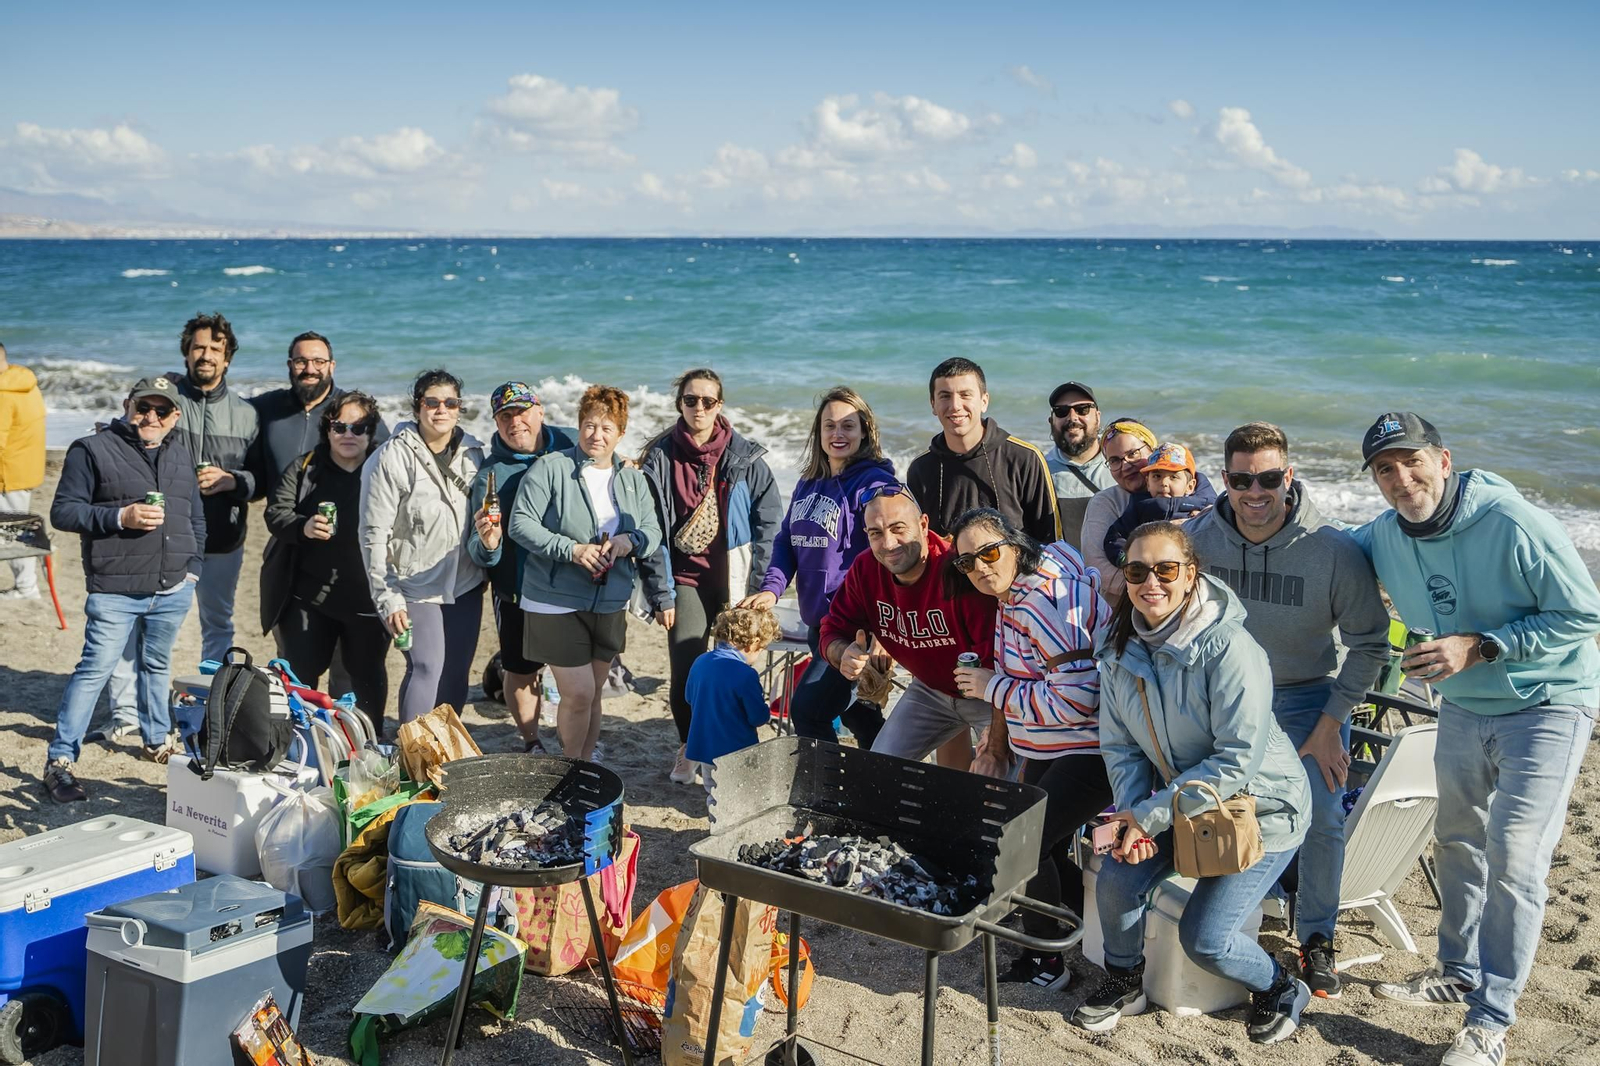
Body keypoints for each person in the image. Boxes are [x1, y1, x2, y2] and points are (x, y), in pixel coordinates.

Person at [1349, 413, 1600, 1066]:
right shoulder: (1382, 536)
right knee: (1458, 840)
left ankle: (1489, 1024)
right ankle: (1456, 971)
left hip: (1548, 704)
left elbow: (1585, 612)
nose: (1402, 479)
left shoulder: (1512, 521)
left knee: (1516, 859)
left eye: (1412, 461)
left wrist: (1483, 645)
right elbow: (1319, 562)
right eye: (1385, 469)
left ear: (1444, 459)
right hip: (1462, 707)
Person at [1072, 521, 1312, 1044]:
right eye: (1137, 570)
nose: (1150, 582)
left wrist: (1147, 816)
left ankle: (1280, 985)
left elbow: (1238, 758)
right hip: (1177, 800)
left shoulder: (1230, 647)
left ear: (1190, 574)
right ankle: (1125, 979)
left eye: (1166, 569)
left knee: (1206, 939)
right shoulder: (1117, 648)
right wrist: (1134, 817)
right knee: (1117, 879)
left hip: (1260, 809)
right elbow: (1121, 747)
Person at [1187, 421, 1390, 998]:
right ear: (1224, 479)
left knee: (1323, 808)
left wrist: (1331, 723)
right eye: (1243, 479)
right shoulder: (1197, 540)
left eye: (1269, 478)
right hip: (1219, 696)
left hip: (1305, 698)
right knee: (1186, 795)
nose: (1256, 492)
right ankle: (1203, 912)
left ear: (1289, 477)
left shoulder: (1333, 549)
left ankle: (1319, 936)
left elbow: (1372, 643)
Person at [948, 508, 1112, 990]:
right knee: (1048, 843)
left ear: (1016, 547)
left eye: (989, 552)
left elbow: (1079, 698)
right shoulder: (1020, 590)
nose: (980, 567)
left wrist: (989, 687)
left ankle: (1046, 961)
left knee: (1025, 843)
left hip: (1087, 749)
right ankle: (1082, 931)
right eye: (966, 562)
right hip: (1049, 744)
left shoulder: (1043, 602)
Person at [43, 377, 206, 802]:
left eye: (162, 410)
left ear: (175, 416)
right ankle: (60, 760)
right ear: (127, 405)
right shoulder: (91, 449)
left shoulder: (181, 452)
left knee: (156, 665)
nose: (151, 417)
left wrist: (194, 569)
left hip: (173, 587)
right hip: (115, 587)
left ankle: (155, 740)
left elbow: (196, 517)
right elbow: (63, 511)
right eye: (143, 407)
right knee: (94, 670)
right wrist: (121, 518)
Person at [638, 369, 781, 784]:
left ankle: (732, 755)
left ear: (720, 405)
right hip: (684, 580)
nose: (698, 407)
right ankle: (689, 747)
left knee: (735, 671)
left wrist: (759, 587)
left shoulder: (746, 456)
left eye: (708, 401)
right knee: (688, 671)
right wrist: (660, 593)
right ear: (679, 403)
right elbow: (651, 532)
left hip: (735, 582)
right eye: (690, 400)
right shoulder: (661, 457)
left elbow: (768, 526)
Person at [509, 385, 662, 760]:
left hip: (609, 599)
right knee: (577, 693)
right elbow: (520, 524)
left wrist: (631, 541)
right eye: (590, 426)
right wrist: (573, 550)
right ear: (579, 426)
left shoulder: (632, 478)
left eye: (608, 428)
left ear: (621, 434)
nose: (597, 435)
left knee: (594, 692)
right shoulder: (551, 467)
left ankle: (584, 762)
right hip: (554, 597)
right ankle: (570, 768)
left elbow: (654, 532)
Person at [740, 386, 897, 748]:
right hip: (817, 621)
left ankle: (829, 787)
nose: (838, 434)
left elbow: (892, 554)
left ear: (865, 432)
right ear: (818, 433)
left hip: (854, 626)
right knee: (858, 710)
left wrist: (882, 627)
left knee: (809, 709)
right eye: (830, 426)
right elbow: (786, 542)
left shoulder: (877, 485)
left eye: (848, 426)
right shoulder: (809, 483)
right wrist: (771, 588)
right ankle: (881, 773)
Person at [817, 485, 999, 768]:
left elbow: (1006, 665)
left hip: (989, 694)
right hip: (930, 692)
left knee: (1007, 787)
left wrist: (996, 746)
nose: (888, 543)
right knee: (877, 771)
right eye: (876, 533)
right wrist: (844, 654)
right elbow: (832, 629)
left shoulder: (958, 569)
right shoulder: (866, 569)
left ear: (923, 524)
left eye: (898, 528)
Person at [359, 369, 487, 723]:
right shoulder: (390, 458)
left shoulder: (474, 454)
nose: (441, 409)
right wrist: (388, 598)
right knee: (427, 667)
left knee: (456, 674)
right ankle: (411, 763)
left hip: (465, 584)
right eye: (432, 402)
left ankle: (443, 756)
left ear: (460, 408)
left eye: (450, 402)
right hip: (413, 587)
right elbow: (373, 535)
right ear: (418, 407)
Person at [260, 391, 390, 734]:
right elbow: (275, 513)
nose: (349, 434)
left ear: (372, 431)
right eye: (339, 426)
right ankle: (293, 745)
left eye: (359, 427)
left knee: (364, 685)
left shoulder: (385, 469)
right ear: (327, 429)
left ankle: (366, 751)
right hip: (309, 598)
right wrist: (302, 526)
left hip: (368, 602)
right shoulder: (307, 467)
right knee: (299, 679)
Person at [466, 382, 574, 752]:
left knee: (573, 672)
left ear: (540, 411)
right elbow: (478, 552)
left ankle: (574, 742)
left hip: (571, 583)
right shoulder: (489, 476)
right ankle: (531, 741)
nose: (516, 421)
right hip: (516, 587)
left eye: (522, 411)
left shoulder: (572, 445)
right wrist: (489, 544)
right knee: (520, 669)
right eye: (506, 415)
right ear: (496, 422)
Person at [164, 311, 260, 663]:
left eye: (215, 349)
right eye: (198, 347)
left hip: (223, 538)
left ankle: (210, 700)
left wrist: (232, 480)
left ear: (227, 357)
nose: (206, 355)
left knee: (217, 623)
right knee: (157, 623)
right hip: (167, 535)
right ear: (186, 352)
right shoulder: (165, 404)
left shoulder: (247, 414)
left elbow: (259, 480)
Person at [906, 357, 1060, 545]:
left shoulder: (1024, 458)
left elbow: (1052, 543)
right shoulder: (921, 468)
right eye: (945, 396)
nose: (955, 406)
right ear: (933, 404)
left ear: (984, 401)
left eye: (965, 395)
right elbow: (919, 543)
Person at [249, 330, 389, 499]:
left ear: (332, 366)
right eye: (301, 361)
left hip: (334, 519)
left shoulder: (356, 413)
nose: (310, 369)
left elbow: (387, 465)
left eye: (319, 362)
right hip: (283, 518)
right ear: (289, 365)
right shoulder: (266, 406)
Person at [685, 605, 784, 792]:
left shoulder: (700, 662)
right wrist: (767, 708)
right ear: (753, 643)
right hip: (737, 750)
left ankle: (716, 820)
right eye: (761, 649)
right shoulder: (745, 674)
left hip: (704, 746)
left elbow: (689, 698)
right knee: (739, 793)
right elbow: (757, 717)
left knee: (713, 793)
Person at [1100, 442, 1217, 569]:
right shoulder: (1141, 507)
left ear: (1190, 486)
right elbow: (1115, 537)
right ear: (1148, 483)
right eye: (1157, 476)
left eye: (1173, 477)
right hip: (1152, 571)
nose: (1164, 483)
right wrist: (1125, 560)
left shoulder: (1202, 507)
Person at [1080, 418, 1158, 603]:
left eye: (1133, 454)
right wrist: (1148, 593)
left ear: (1152, 450)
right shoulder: (1105, 502)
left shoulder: (1182, 490)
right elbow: (1095, 562)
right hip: (1122, 610)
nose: (1125, 465)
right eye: (1114, 460)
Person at [0, 340, 47, 600]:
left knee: (11, 535)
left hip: (8, 474)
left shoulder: (4, 394)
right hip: (25, 467)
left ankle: (26, 588)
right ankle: (26, 586)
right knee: (15, 531)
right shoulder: (24, 382)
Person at [1043, 381, 1112, 552]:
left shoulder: (1121, 467)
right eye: (1061, 411)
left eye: (1083, 409)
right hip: (1063, 575)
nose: (1072, 418)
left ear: (1098, 416)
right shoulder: (1039, 471)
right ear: (1051, 421)